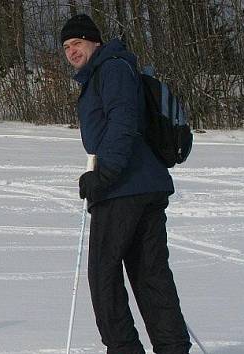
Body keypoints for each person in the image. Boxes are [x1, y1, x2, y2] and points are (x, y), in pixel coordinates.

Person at [60, 14, 192, 354]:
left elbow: (123, 121)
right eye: (66, 46)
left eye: (77, 43)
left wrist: (103, 174)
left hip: (123, 188)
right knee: (150, 275)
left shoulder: (112, 69)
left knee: (103, 276)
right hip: (144, 186)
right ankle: (173, 347)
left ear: (95, 42)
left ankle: (124, 348)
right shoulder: (110, 69)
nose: (72, 51)